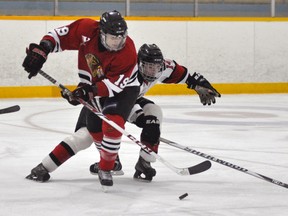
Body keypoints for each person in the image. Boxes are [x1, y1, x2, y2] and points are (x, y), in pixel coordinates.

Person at [25, 43, 220, 183]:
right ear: (139, 63)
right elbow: (110, 95)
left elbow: (183, 74)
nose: (152, 72)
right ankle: (44, 167)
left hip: (129, 102)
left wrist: (199, 85)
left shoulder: (163, 67)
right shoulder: (126, 71)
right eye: (148, 67)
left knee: (155, 113)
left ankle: (145, 163)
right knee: (83, 138)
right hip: (105, 104)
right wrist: (77, 95)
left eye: (156, 67)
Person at [23, 10, 140, 187]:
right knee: (86, 133)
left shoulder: (128, 51)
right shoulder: (86, 29)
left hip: (123, 91)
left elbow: (113, 86)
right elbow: (58, 36)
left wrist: (86, 92)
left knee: (111, 123)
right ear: (101, 33)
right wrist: (43, 49)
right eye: (112, 38)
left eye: (120, 38)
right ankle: (44, 167)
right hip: (95, 88)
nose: (117, 43)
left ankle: (107, 166)